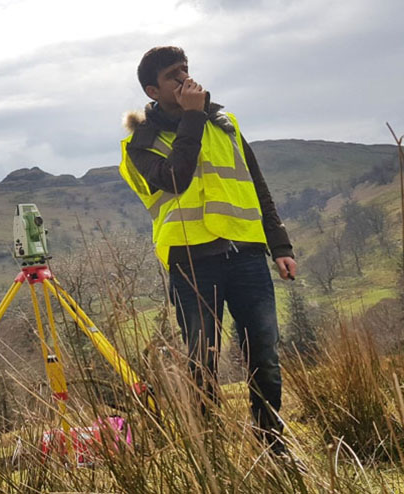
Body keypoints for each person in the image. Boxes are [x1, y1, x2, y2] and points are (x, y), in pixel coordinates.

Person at [119, 46, 298, 450]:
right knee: (203, 361)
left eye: (186, 69)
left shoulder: (226, 123)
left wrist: (280, 246)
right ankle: (212, 450)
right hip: (192, 262)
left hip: (247, 254)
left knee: (264, 355)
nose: (185, 78)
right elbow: (176, 179)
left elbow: (257, 186)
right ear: (153, 90)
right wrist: (194, 117)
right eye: (173, 75)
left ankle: (273, 444)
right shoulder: (139, 145)